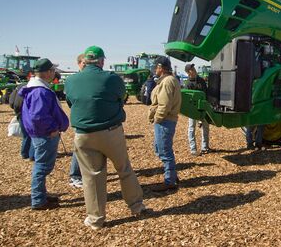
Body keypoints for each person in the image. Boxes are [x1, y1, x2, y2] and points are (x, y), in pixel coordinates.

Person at [65, 46, 146, 230]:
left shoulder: (71, 80)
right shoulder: (111, 78)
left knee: (92, 177)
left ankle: (96, 219)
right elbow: (120, 97)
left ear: (84, 61)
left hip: (84, 134)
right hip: (111, 131)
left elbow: (71, 102)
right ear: (101, 61)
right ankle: (137, 206)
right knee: (124, 169)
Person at [18, 58, 69, 210]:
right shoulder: (40, 91)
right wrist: (52, 128)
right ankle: (38, 200)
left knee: (42, 166)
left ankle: (40, 195)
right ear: (47, 72)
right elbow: (38, 116)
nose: (54, 73)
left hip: (42, 134)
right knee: (41, 167)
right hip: (45, 134)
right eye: (52, 70)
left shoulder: (36, 88)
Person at [148, 56, 182, 192]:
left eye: (156, 67)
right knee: (160, 148)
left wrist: (157, 118)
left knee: (164, 151)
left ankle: (170, 181)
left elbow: (164, 105)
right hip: (166, 120)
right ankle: (172, 175)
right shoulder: (168, 80)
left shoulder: (167, 82)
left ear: (161, 68)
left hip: (165, 120)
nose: (154, 69)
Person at [184, 64, 210, 156]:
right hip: (192, 110)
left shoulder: (201, 81)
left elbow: (206, 94)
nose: (194, 69)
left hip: (203, 108)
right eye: (191, 69)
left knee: (205, 128)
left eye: (193, 68)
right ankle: (193, 149)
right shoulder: (187, 84)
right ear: (188, 72)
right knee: (191, 128)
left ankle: (205, 147)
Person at [69, 53, 85, 189]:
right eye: (84, 63)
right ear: (79, 63)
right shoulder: (74, 80)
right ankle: (75, 176)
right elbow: (70, 101)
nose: (86, 66)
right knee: (78, 149)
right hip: (81, 120)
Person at [9, 82, 34, 160]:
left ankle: (24, 153)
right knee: (32, 134)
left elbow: (12, 102)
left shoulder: (18, 89)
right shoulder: (29, 89)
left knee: (25, 135)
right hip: (27, 114)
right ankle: (31, 155)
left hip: (19, 113)